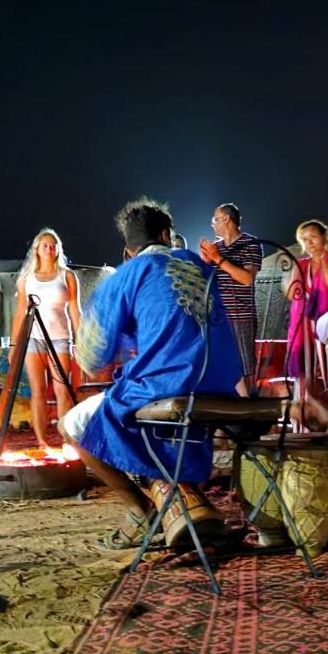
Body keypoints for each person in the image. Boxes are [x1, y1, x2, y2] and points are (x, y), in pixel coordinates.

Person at [62, 197, 241, 550]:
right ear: (166, 235)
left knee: (71, 425)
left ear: (128, 250)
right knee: (156, 407)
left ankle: (140, 510)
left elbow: (91, 357)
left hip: (170, 388)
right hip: (223, 389)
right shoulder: (201, 266)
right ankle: (178, 497)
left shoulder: (127, 274)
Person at [11, 228, 82, 446]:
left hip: (60, 338)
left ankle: (67, 440)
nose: (50, 249)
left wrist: (80, 341)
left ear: (59, 249)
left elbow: (75, 311)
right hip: (34, 339)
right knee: (37, 390)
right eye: (45, 245)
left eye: (54, 245)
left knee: (62, 389)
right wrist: (15, 344)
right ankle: (42, 440)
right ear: (37, 250)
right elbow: (20, 312)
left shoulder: (67, 276)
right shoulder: (27, 279)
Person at [199, 203, 264, 395]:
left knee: (242, 369)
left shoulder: (250, 244)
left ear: (226, 219)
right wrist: (206, 262)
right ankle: (231, 415)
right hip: (218, 317)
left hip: (240, 316)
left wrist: (218, 259)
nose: (213, 224)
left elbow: (246, 279)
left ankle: (246, 412)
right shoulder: (216, 247)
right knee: (220, 367)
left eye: (215, 219)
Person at [285, 220, 328, 391]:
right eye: (304, 239)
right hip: (305, 322)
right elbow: (293, 295)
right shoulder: (302, 265)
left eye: (313, 237)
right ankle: (305, 410)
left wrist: (325, 266)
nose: (309, 243)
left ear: (324, 237)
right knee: (305, 365)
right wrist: (293, 274)